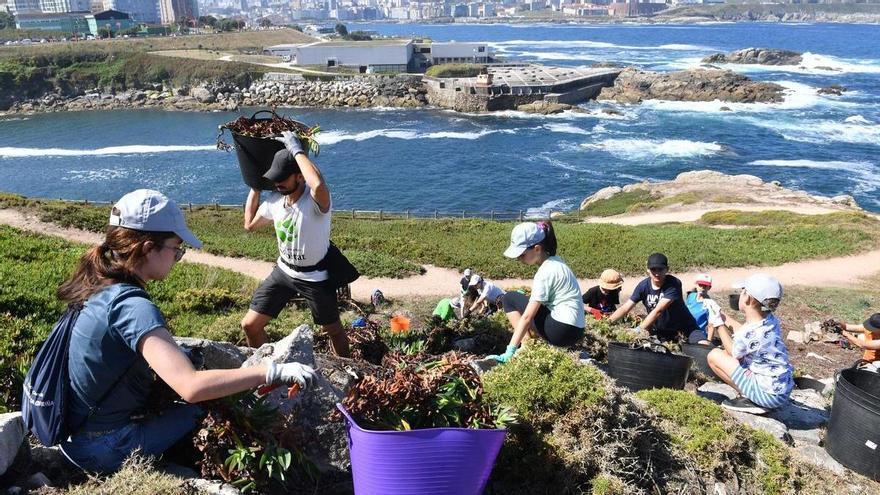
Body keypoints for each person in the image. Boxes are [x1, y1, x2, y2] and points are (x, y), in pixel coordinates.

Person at [57, 190, 317, 474]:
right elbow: (191, 387)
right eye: (176, 250)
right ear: (147, 248)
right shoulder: (133, 308)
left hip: (74, 431)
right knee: (202, 409)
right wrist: (271, 371)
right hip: (103, 448)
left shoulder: (99, 284)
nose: (178, 258)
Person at [241, 131, 350, 357]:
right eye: (275, 178)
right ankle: (267, 371)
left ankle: (347, 375)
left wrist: (296, 150)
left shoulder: (314, 202)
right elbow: (249, 224)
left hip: (314, 278)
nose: (278, 183)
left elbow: (318, 183)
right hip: (283, 271)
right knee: (250, 326)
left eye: (283, 178)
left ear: (299, 176)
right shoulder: (275, 202)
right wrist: (255, 188)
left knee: (334, 331)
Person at [489, 222, 585, 363]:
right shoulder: (558, 262)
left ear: (537, 248)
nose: (518, 259)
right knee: (526, 301)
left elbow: (527, 317)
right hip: (576, 331)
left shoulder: (544, 272)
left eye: (521, 255)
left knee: (509, 298)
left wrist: (509, 351)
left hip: (560, 331)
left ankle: (526, 346)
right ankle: (531, 343)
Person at [708, 273, 794, 414]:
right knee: (724, 354)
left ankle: (752, 400)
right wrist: (722, 315)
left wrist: (718, 324)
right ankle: (755, 395)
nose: (740, 294)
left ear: (747, 297)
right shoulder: (769, 321)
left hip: (768, 396)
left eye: (742, 291)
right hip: (781, 391)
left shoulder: (750, 332)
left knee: (714, 356)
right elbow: (745, 334)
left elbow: (733, 351)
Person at [608, 253, 701, 343]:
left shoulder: (673, 284)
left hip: (685, 328)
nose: (657, 273)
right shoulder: (643, 286)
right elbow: (625, 308)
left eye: (660, 269)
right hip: (662, 333)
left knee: (703, 346)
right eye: (653, 269)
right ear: (648, 270)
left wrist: (638, 330)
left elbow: (658, 310)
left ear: (667, 269)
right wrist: (607, 323)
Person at [685, 273, 724, 345]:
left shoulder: (710, 304)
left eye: (705, 286)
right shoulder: (691, 296)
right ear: (696, 285)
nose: (702, 288)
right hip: (685, 331)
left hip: (697, 335)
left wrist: (708, 343)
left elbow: (711, 326)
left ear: (709, 288)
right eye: (700, 285)